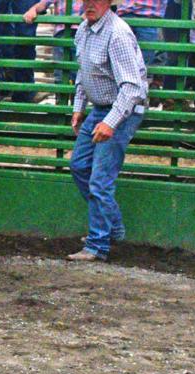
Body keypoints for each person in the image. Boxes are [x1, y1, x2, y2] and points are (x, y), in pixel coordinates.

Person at [67, 0, 148, 262]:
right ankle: (110, 227)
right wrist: (79, 107)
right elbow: (84, 73)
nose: (90, 4)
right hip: (102, 107)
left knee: (100, 179)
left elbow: (133, 88)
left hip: (123, 110)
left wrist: (111, 122)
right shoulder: (84, 29)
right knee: (80, 166)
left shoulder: (118, 34)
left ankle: (98, 245)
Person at [24, 0, 84, 87]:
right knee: (60, 68)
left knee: (78, 69)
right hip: (61, 32)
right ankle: (61, 92)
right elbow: (44, 3)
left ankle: (76, 93)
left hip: (82, 32)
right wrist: (33, 10)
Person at [115, 0, 168, 88]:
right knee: (119, 58)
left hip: (150, 15)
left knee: (146, 60)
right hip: (125, 13)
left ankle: (140, 86)